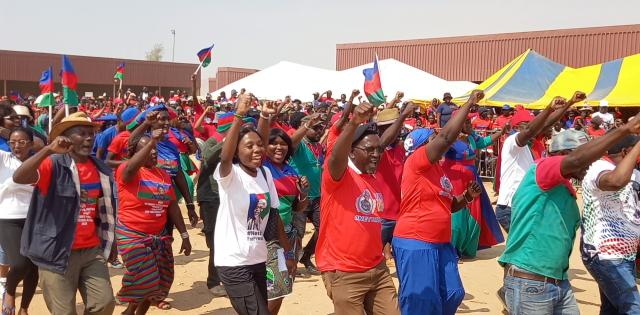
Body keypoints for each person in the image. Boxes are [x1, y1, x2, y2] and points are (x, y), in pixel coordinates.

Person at [498, 111, 640, 314]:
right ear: (562, 154)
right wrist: (625, 129)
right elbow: (576, 161)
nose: (590, 164)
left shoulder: (564, 188)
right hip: (530, 281)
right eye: (586, 157)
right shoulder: (543, 169)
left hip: (558, 282)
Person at [13, 112, 117, 315]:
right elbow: (20, 177)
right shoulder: (53, 163)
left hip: (91, 250)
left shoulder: (101, 169)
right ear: (67, 138)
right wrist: (47, 150)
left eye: (91, 133)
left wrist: (111, 243)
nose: (89, 138)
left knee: (104, 304)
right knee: (64, 312)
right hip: (55, 251)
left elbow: (104, 212)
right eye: (82, 133)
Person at [392, 91, 484, 315]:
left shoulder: (437, 171)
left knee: (453, 293)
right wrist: (469, 103)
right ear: (423, 146)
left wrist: (467, 198)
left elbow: (449, 206)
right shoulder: (416, 162)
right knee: (421, 304)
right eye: (433, 138)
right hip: (416, 241)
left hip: (441, 242)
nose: (439, 140)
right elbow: (446, 138)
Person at [214, 94, 294, 315]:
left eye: (260, 145)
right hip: (233, 262)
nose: (257, 149)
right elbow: (224, 158)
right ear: (237, 151)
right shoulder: (230, 175)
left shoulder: (265, 173)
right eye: (249, 146)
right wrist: (239, 114)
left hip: (258, 258)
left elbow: (274, 215)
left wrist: (287, 254)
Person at [317, 102, 400, 315]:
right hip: (344, 272)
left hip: (377, 270)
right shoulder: (338, 176)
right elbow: (336, 156)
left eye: (378, 150)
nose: (376, 155)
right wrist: (354, 122)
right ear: (352, 153)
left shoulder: (372, 179)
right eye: (369, 150)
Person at [115, 126, 192, 314]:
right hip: (132, 235)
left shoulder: (163, 175)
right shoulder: (128, 170)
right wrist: (151, 141)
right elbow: (130, 167)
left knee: (159, 282)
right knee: (146, 278)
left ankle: (134, 312)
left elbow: (172, 205)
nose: (153, 152)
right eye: (148, 149)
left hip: (158, 236)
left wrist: (184, 234)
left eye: (155, 149)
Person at [495, 92, 585, 232]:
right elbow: (531, 129)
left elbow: (546, 123)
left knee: (525, 250)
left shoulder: (534, 145)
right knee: (526, 250)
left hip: (524, 205)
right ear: (517, 128)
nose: (533, 129)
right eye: (526, 126)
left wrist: (569, 103)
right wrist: (549, 108)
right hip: (511, 208)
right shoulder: (512, 143)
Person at [581, 135, 640, 314]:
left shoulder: (636, 174)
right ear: (626, 152)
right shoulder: (600, 167)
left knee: (611, 309)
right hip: (604, 255)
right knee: (633, 308)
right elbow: (615, 182)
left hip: (627, 255)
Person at [444, 113, 506, 258]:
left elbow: (485, 142)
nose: (469, 125)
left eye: (469, 122)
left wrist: (501, 132)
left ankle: (467, 248)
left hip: (472, 180)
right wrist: (453, 138)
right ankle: (453, 250)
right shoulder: (448, 140)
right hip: (456, 181)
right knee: (457, 217)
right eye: (465, 122)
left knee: (475, 216)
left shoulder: (472, 137)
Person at [262, 127, 310, 315]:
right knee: (277, 287)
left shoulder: (291, 171)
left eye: (283, 144)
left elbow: (297, 208)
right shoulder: (261, 167)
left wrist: (304, 193)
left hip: (287, 236)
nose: (278, 147)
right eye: (273, 143)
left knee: (281, 288)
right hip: (267, 236)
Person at [0, 128, 38, 315]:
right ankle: (9, 291)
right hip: (7, 218)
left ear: (31, 144)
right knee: (19, 263)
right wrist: (6, 131)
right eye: (12, 142)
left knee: (33, 267)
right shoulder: (4, 159)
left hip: (35, 220)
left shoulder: (39, 162)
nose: (16, 146)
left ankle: (24, 308)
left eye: (22, 142)